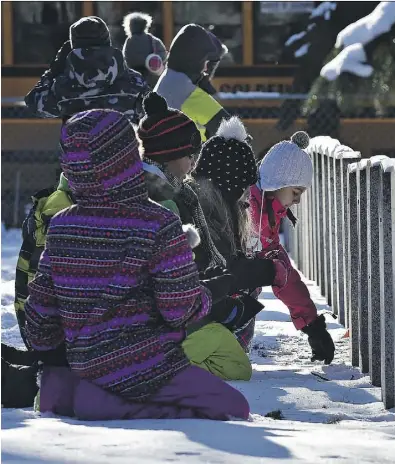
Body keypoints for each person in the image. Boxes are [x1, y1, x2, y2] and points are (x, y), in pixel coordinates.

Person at [23, 108, 251, 420]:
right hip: (146, 367)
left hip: (79, 364)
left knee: (70, 384)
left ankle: (73, 395)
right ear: (128, 156)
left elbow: (40, 315)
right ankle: (111, 404)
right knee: (234, 408)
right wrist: (217, 290)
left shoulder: (62, 225)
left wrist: (57, 352)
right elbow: (179, 309)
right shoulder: (157, 222)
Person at [137, 93, 270, 380]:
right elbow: (181, 274)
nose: (193, 164)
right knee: (235, 366)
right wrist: (226, 296)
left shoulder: (175, 193)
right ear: (172, 154)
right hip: (163, 325)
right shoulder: (166, 201)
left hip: (171, 314)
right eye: (189, 156)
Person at [191, 115, 281, 352]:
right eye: (243, 187)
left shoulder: (213, 206)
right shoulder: (206, 217)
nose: (246, 198)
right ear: (229, 185)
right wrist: (268, 271)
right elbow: (223, 271)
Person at [249, 132, 336, 365]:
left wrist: (312, 325)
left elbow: (284, 274)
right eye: (295, 192)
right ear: (278, 181)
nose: (297, 201)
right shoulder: (248, 210)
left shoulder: (267, 214)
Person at [25, 16, 149, 124]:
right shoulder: (134, 81)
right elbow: (149, 112)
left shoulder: (61, 86)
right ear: (107, 42)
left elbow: (34, 104)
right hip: (124, 150)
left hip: (79, 151)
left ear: (73, 45)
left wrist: (54, 70)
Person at [154, 23, 230, 141]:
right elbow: (231, 130)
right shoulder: (186, 91)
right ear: (194, 61)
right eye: (204, 62)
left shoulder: (167, 79)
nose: (205, 69)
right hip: (186, 156)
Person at [122, 12, 167, 88]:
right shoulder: (153, 40)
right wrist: (153, 61)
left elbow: (126, 59)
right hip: (152, 77)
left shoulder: (130, 41)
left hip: (135, 79)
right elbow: (163, 55)